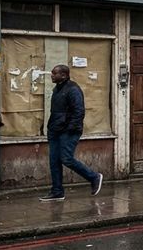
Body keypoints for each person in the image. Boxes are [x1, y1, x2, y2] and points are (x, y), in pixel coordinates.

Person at [40, 65, 103, 202]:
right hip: (55, 131)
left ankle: (94, 177)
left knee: (66, 158)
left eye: (54, 73)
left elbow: (79, 112)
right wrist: (51, 128)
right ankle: (57, 192)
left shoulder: (73, 89)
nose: (51, 75)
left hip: (68, 131)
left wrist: (69, 129)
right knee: (54, 161)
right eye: (52, 73)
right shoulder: (57, 88)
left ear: (64, 75)